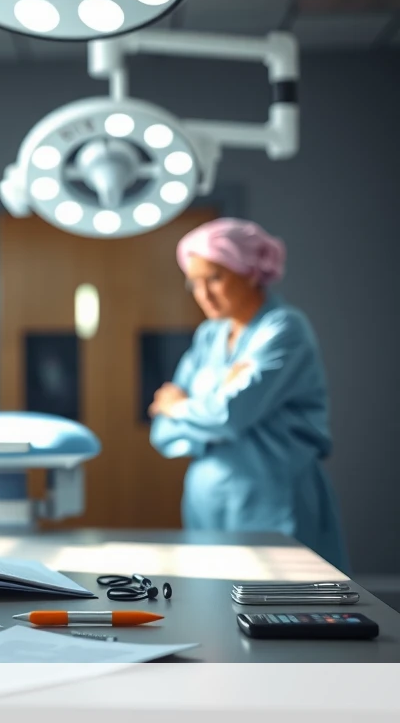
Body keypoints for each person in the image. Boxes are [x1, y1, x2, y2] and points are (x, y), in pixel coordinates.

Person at [149, 218, 348, 571]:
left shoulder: (284, 329)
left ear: (251, 272)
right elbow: (162, 433)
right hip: (206, 502)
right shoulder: (209, 336)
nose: (203, 294)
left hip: (273, 500)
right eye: (194, 283)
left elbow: (230, 415)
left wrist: (180, 405)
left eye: (215, 278)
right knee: (209, 613)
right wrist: (213, 402)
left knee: (289, 615)